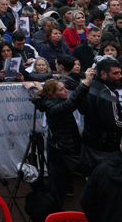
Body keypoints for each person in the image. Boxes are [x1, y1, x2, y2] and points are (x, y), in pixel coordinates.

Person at [30, 68, 95, 205]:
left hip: (61, 146)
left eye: (64, 88)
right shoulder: (54, 108)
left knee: (60, 177)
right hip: (62, 149)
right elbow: (72, 103)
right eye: (61, 90)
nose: (66, 91)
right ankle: (54, 209)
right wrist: (86, 83)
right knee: (59, 181)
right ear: (53, 95)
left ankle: (64, 194)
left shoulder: (50, 102)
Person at [79, 57, 122, 169]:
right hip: (105, 148)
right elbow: (116, 124)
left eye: (120, 73)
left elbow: (82, 110)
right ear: (103, 74)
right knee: (109, 181)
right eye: (115, 73)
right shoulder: (108, 94)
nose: (120, 76)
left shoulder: (89, 86)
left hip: (90, 142)